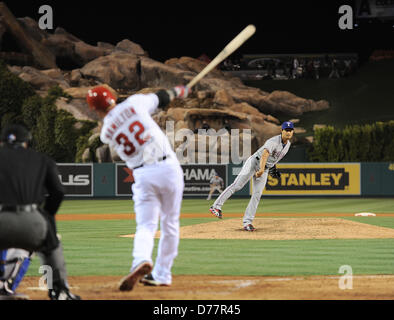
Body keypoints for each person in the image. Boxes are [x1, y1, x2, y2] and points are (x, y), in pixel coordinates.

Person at [86, 84, 188, 290]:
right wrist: (179, 91)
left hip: (142, 174)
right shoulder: (134, 103)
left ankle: (140, 260)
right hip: (168, 167)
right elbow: (162, 96)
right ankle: (162, 274)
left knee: (146, 226)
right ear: (112, 97)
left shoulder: (106, 132)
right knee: (170, 224)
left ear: (94, 109)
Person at [0, 124, 81, 300]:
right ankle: (59, 291)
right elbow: (58, 192)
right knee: (52, 244)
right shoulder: (41, 159)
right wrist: (47, 216)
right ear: (26, 143)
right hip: (31, 220)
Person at [209, 121, 295, 231]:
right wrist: (262, 169)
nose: (288, 132)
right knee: (237, 185)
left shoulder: (287, 145)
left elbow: (273, 158)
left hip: (264, 169)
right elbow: (265, 155)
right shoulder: (273, 141)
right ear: (282, 131)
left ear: (292, 132)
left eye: (290, 130)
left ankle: (247, 222)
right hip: (254, 162)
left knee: (257, 194)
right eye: (286, 130)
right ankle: (216, 206)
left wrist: (273, 168)